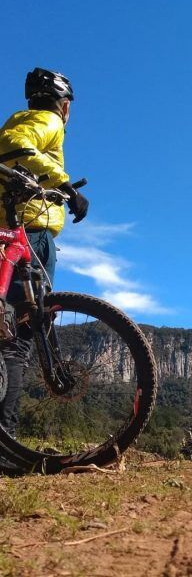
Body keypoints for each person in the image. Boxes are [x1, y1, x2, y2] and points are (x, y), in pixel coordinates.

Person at [0, 68, 89, 438]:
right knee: (20, 336)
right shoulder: (47, 120)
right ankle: (6, 440)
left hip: (14, 228)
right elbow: (13, 144)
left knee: (10, 334)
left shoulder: (25, 116)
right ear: (63, 104)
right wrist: (66, 186)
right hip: (30, 234)